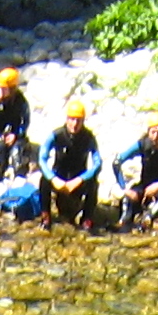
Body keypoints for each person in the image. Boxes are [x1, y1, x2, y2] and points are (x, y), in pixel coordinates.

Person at [111, 113, 158, 231]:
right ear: (148, 132)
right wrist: (124, 188)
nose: (156, 136)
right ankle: (124, 222)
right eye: (153, 132)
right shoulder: (142, 145)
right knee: (129, 198)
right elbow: (117, 162)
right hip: (145, 186)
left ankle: (148, 217)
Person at [38, 97, 103, 231]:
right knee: (44, 181)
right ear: (66, 119)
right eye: (72, 119)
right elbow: (41, 159)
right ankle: (45, 217)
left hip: (78, 181)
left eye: (78, 120)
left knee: (94, 183)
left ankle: (87, 219)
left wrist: (81, 179)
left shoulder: (88, 137)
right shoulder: (56, 135)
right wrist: (53, 178)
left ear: (83, 121)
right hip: (59, 179)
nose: (75, 124)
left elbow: (98, 163)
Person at [0, 69, 32, 180]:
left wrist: (16, 134)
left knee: (17, 160)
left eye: (4, 88)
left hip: (15, 134)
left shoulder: (20, 100)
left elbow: (26, 121)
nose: (1, 90)